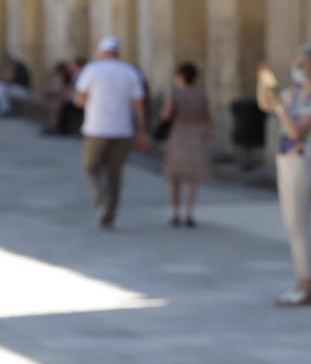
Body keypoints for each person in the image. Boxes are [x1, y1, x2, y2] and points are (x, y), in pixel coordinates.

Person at [255, 43, 311, 306]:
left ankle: (306, 285)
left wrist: (280, 108)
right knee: (291, 224)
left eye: (302, 64)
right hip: (286, 161)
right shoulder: (296, 93)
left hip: (302, 163)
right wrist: (263, 81)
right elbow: (266, 103)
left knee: (300, 224)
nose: (296, 68)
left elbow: (297, 132)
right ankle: (301, 280)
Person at [75, 35, 148, 229]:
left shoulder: (92, 70)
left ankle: (101, 201)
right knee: (114, 173)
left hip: (96, 129)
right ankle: (110, 213)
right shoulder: (130, 72)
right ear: (118, 53)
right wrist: (142, 131)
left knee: (91, 168)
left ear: (101, 52)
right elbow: (139, 104)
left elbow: (79, 99)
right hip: (122, 130)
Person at [160, 62, 212, 227]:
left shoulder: (175, 93)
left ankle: (176, 213)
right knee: (192, 178)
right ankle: (190, 213)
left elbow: (167, 115)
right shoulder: (201, 94)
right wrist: (205, 134)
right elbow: (207, 117)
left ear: (181, 76)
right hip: (196, 136)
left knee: (175, 178)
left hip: (178, 135)